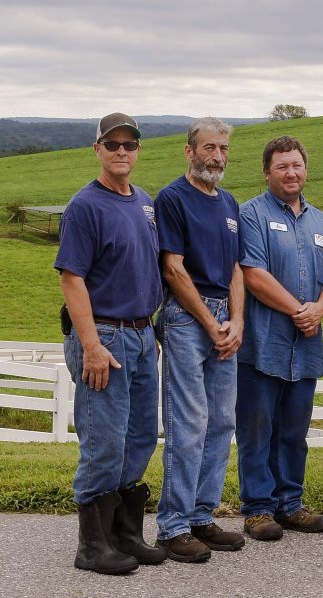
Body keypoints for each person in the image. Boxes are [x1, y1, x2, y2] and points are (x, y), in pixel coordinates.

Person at [55, 113, 166, 574]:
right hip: (104, 336)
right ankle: (91, 546)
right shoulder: (85, 205)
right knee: (104, 440)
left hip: (141, 335)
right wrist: (92, 345)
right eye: (113, 143)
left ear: (138, 150)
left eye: (130, 143)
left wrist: (150, 331)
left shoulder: (143, 201)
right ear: (97, 150)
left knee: (140, 437)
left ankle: (124, 533)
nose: (123, 151)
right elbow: (72, 278)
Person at [236, 136, 323, 540]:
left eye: (296, 165)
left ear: (306, 169)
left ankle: (290, 505)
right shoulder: (251, 215)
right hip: (262, 344)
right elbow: (253, 273)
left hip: (306, 346)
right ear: (267, 172)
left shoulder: (322, 222)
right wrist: (298, 310)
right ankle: (258, 509)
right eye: (281, 166)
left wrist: (318, 310)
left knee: (294, 431)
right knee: (257, 428)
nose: (291, 172)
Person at [154, 117, 245, 562]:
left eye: (224, 148)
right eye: (209, 148)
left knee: (222, 422)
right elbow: (173, 268)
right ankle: (172, 525)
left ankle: (200, 516)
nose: (218, 156)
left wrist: (238, 323)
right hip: (187, 319)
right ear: (189, 152)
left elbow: (235, 270)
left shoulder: (229, 203)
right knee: (188, 423)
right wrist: (212, 324)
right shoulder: (173, 198)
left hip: (224, 318)